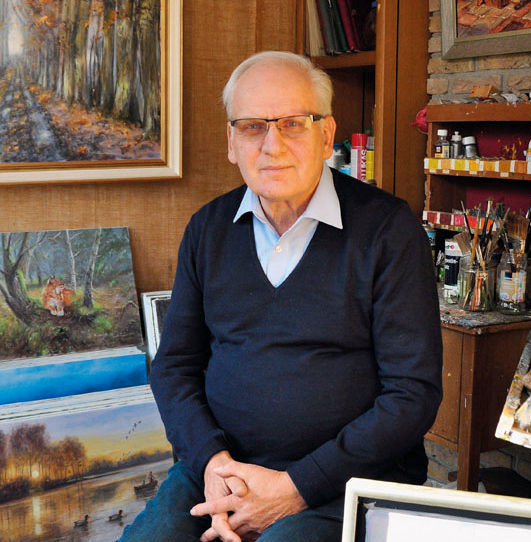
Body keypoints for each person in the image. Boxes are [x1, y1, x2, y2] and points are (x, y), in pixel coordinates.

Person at [119, 50, 442, 542]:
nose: (272, 145)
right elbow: (174, 365)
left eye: (293, 123)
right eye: (252, 127)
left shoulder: (388, 231)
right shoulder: (208, 230)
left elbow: (412, 396)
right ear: (231, 141)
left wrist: (296, 486)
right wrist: (211, 462)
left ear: (327, 134)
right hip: (222, 471)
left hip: (349, 481)